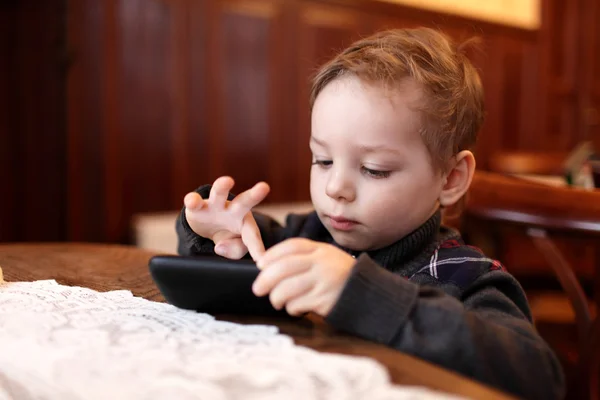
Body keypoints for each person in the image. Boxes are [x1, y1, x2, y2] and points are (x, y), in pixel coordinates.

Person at [176, 28, 565, 400]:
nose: (335, 188)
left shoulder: (465, 277)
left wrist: (362, 295)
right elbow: (236, 274)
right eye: (323, 160)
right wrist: (215, 235)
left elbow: (539, 379)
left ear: (450, 178)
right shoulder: (305, 237)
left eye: (374, 168)